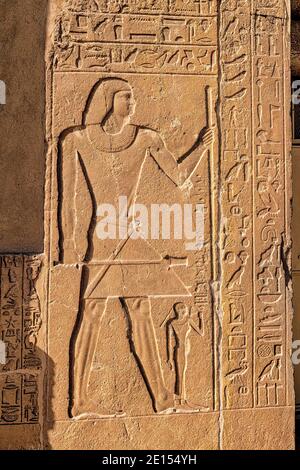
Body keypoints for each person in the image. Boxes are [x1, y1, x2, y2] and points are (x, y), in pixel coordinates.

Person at [60, 77, 214, 416]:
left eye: (133, 97)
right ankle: (79, 400)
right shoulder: (77, 140)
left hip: (130, 234)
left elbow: (177, 177)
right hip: (102, 236)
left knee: (141, 312)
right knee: (93, 314)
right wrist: (66, 245)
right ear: (107, 100)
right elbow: (67, 198)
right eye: (125, 97)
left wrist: (202, 146)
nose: (133, 103)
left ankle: (161, 398)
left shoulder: (146, 138)